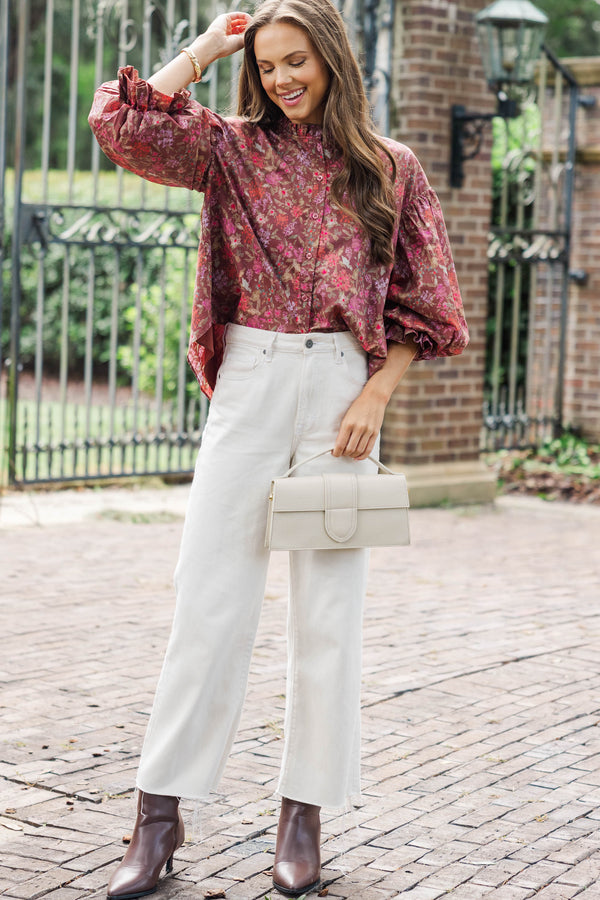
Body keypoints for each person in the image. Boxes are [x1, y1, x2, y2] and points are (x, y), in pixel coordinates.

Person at [89, 0, 468, 896]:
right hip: (252, 384)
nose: (281, 79)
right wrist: (208, 50)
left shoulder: (391, 168)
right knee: (208, 606)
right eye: (267, 66)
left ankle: (303, 818)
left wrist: (377, 392)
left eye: (295, 61)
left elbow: (430, 303)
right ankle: (158, 818)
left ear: (331, 58)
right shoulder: (227, 148)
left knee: (327, 621)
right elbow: (118, 121)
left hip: (342, 396)